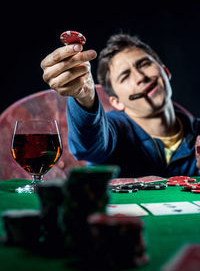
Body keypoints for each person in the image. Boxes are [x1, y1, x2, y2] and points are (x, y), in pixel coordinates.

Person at [41, 33, 200, 177]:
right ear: (116, 102)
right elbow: (88, 145)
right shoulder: (113, 130)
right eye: (125, 76)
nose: (140, 77)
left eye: (144, 64)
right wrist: (84, 97)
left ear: (165, 72)